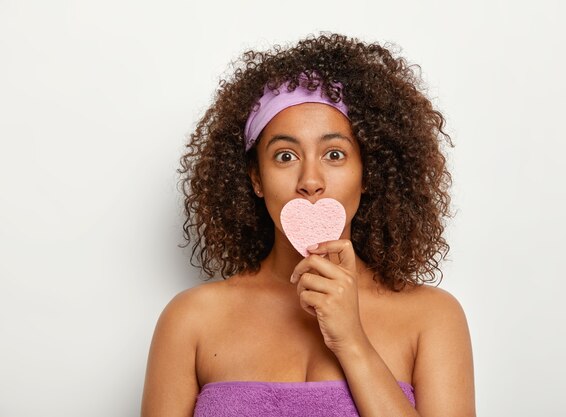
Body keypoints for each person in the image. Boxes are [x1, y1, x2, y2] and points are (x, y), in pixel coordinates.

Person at [141, 32, 475, 417]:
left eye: (334, 154)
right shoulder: (190, 320)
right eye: (285, 156)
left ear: (366, 174)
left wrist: (352, 340)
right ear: (255, 179)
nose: (310, 180)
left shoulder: (433, 317)